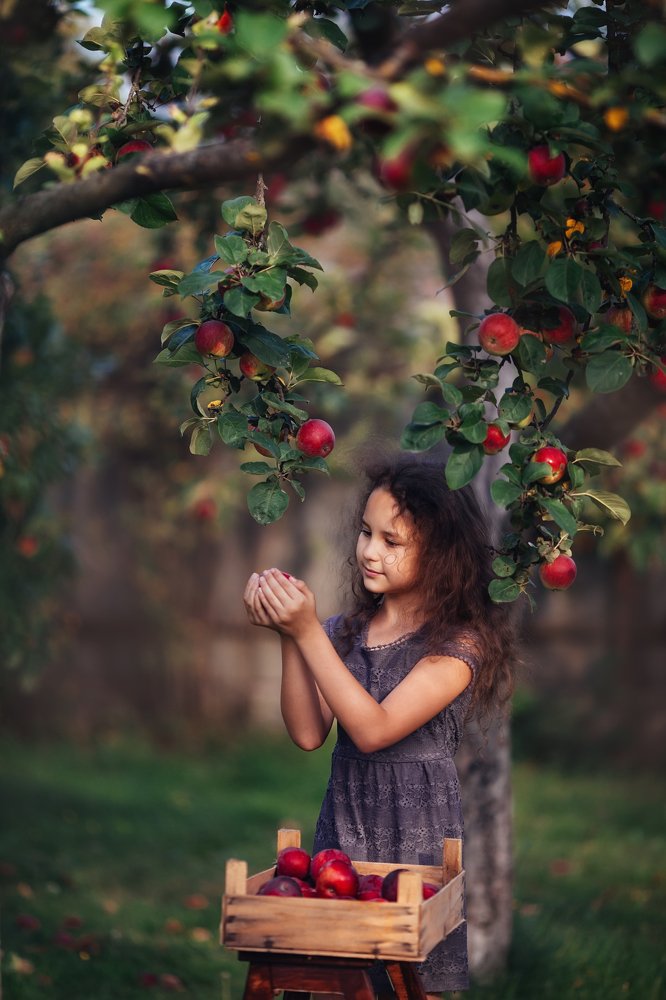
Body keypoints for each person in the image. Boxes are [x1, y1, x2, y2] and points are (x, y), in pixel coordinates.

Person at [243, 454, 515, 998]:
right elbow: (307, 732)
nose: (368, 550)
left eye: (392, 541)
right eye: (366, 533)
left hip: (414, 835)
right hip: (346, 823)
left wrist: (308, 634)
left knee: (411, 978)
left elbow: (374, 728)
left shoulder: (459, 646)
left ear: (442, 554)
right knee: (336, 974)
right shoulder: (345, 632)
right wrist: (291, 635)